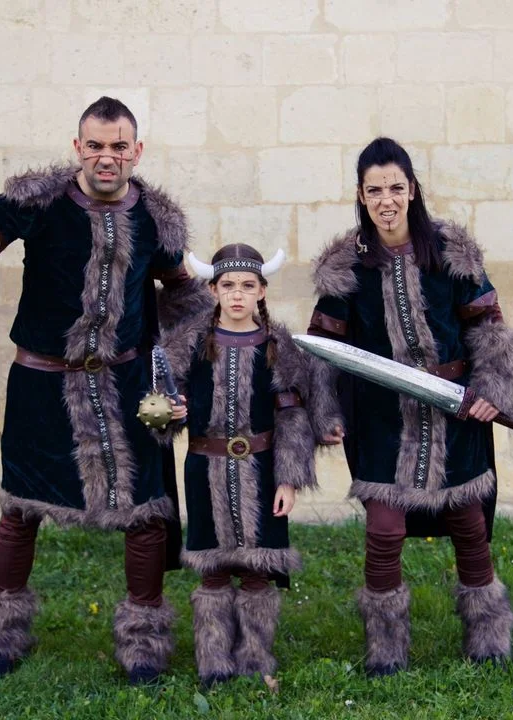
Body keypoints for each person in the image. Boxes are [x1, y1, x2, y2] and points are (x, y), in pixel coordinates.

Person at [0, 96, 212, 683]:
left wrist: (178, 363)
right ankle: (2, 634)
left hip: (129, 385)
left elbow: (183, 292)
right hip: (41, 384)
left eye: (119, 146)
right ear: (78, 147)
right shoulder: (37, 200)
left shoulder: (157, 219)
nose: (107, 157)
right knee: (20, 509)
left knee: (148, 513)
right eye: (95, 146)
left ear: (137, 151)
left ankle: (144, 641)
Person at [306, 137, 513, 673]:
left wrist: (490, 393)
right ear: (361, 195)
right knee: (384, 530)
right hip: (382, 422)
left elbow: (489, 328)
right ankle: (386, 649)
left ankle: (489, 639)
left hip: (456, 416)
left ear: (412, 190)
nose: (387, 200)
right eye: (375, 190)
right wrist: (325, 414)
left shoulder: (450, 253)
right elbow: (322, 349)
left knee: (469, 524)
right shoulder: (348, 267)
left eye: (396, 188)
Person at [151, 243, 324, 690]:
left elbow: (292, 417)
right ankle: (213, 661)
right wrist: (169, 411)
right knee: (212, 566)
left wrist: (289, 479)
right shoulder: (187, 344)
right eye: (227, 285)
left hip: (263, 471)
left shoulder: (278, 346)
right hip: (204, 470)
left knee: (257, 567)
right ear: (212, 290)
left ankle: (255, 656)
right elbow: (156, 408)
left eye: (248, 286)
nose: (237, 294)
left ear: (262, 291)